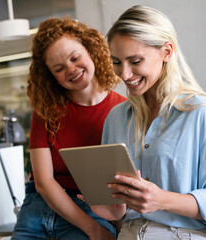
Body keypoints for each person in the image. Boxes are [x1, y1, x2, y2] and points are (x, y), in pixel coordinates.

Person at [97, 5, 206, 240]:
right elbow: (119, 211)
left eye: (135, 61)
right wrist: (111, 208)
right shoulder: (115, 119)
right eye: (116, 62)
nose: (124, 75)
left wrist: (161, 199)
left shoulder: (200, 113)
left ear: (166, 51)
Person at [11, 17, 127, 240]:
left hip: (90, 205)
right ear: (51, 76)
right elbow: (44, 183)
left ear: (91, 50)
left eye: (75, 58)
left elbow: (121, 183)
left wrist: (119, 230)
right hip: (38, 204)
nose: (71, 69)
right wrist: (94, 230)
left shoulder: (122, 110)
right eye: (59, 68)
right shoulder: (46, 110)